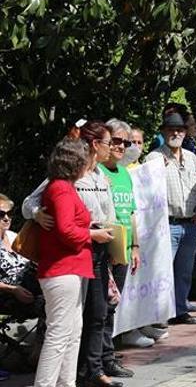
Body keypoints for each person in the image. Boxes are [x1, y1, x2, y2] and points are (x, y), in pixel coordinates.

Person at [27, 132, 118, 387]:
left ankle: (66, 383)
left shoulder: (62, 188)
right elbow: (66, 230)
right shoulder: (61, 190)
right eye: (85, 159)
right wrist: (93, 234)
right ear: (75, 162)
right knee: (59, 335)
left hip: (71, 268)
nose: (89, 163)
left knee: (72, 333)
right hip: (62, 269)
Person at [145, 113, 196, 325]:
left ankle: (180, 309)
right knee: (162, 271)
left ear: (185, 133)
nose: (176, 133)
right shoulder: (154, 158)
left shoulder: (192, 158)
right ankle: (159, 314)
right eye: (171, 129)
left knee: (184, 271)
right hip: (167, 224)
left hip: (190, 223)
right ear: (164, 132)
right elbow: (148, 191)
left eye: (180, 130)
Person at [95, 120, 142, 370]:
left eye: (127, 142)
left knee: (112, 306)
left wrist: (135, 246)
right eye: (117, 141)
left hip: (123, 250)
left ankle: (108, 357)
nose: (123, 146)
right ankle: (100, 361)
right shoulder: (96, 172)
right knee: (100, 308)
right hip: (104, 251)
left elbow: (132, 213)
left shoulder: (124, 173)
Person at [0, 194, 43, 322]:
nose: (7, 218)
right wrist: (13, 290)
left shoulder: (14, 237)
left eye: (10, 213)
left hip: (31, 285)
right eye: (1, 214)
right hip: (8, 294)